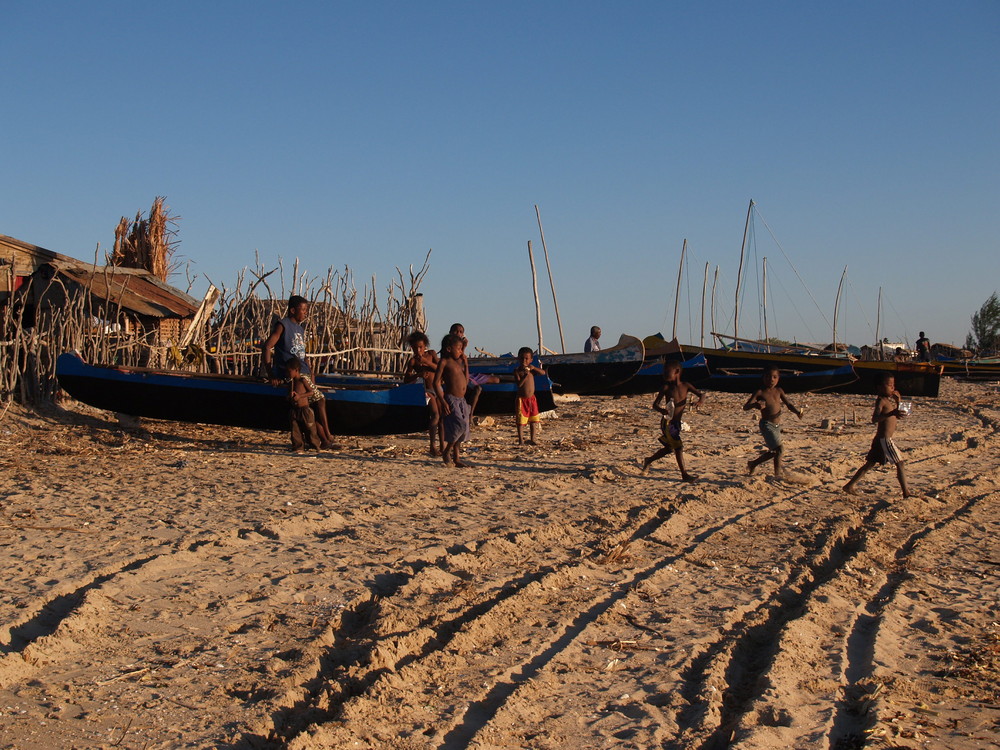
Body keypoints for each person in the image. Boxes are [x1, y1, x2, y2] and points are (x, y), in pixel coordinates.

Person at [843, 374, 912, 498]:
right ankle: (906, 493)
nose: (892, 388)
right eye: (889, 385)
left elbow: (901, 415)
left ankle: (849, 485)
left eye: (893, 385)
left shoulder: (888, 402)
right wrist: (891, 412)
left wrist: (898, 402)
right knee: (900, 463)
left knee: (870, 464)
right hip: (884, 440)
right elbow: (875, 419)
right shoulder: (881, 401)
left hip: (881, 439)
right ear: (880, 387)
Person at [641, 360, 704, 481]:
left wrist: (700, 401)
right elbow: (655, 404)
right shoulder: (666, 388)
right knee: (678, 447)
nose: (664, 374)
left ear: (677, 372)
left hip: (676, 423)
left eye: (666, 371)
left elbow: (702, 394)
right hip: (668, 422)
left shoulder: (686, 386)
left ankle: (649, 460)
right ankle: (684, 475)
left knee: (669, 448)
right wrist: (661, 410)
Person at [744, 365, 803, 479]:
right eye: (768, 377)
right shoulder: (760, 392)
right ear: (763, 378)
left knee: (774, 452)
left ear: (778, 378)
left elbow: (788, 404)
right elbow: (745, 407)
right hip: (767, 425)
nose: (771, 379)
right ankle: (777, 474)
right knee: (779, 449)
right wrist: (755, 405)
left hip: (777, 426)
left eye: (774, 377)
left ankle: (753, 463)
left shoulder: (779, 391)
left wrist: (797, 412)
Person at [404, 331, 444, 456]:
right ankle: (432, 446)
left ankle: (443, 446)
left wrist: (427, 363)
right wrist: (418, 374)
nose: (418, 350)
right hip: (427, 390)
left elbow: (440, 369)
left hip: (438, 389)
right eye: (415, 348)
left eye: (420, 347)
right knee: (435, 415)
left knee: (442, 418)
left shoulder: (431, 355)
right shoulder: (413, 362)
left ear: (425, 346)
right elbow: (406, 379)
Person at [449, 322, 498, 422]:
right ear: (450, 333)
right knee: (477, 389)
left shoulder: (460, 345)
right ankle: (470, 415)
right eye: (456, 331)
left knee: (496, 380)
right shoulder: (449, 346)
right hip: (459, 376)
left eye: (461, 332)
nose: (458, 333)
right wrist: (464, 347)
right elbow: (456, 361)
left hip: (468, 374)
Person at [434, 333, 470, 467]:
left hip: (462, 400)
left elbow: (466, 381)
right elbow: (436, 383)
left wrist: (466, 365)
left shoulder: (459, 362)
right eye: (459, 348)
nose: (461, 351)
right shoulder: (444, 362)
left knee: (464, 428)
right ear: (449, 349)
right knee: (458, 426)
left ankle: (457, 457)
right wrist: (442, 400)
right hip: (451, 399)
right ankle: (447, 451)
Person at [262, 295, 310, 384]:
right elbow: (267, 347)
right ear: (293, 311)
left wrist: (310, 372)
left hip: (303, 373)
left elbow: (303, 353)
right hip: (289, 374)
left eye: (306, 310)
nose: (305, 313)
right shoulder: (283, 325)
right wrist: (270, 374)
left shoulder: (300, 329)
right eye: (303, 310)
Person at [285, 357, 322, 452]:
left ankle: (315, 445)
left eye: (289, 371)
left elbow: (311, 392)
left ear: (296, 370)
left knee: (310, 428)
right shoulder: (291, 382)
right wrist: (290, 396)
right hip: (294, 409)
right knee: (295, 429)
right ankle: (298, 446)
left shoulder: (302, 380)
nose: (288, 373)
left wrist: (300, 396)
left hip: (304, 409)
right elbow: (287, 396)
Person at [513, 347, 546, 445]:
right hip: (521, 400)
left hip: (532, 399)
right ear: (518, 359)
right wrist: (525, 376)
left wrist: (534, 368)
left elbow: (543, 373)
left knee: (533, 420)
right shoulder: (517, 371)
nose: (524, 361)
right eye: (522, 358)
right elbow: (519, 384)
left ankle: (533, 439)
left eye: (527, 359)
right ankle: (521, 440)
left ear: (531, 360)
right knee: (521, 421)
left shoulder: (532, 370)